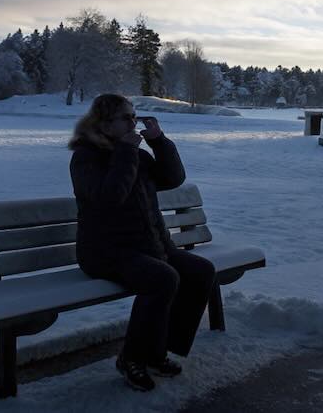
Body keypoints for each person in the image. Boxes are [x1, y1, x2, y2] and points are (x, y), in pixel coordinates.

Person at [68, 94, 216, 392]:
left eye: (134, 117)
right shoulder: (86, 157)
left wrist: (159, 141)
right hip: (106, 252)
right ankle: (132, 358)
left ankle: (157, 351)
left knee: (201, 271)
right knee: (163, 278)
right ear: (105, 123)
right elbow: (112, 197)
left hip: (149, 246)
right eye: (126, 118)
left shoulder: (135, 153)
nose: (133, 123)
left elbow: (172, 178)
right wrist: (125, 152)